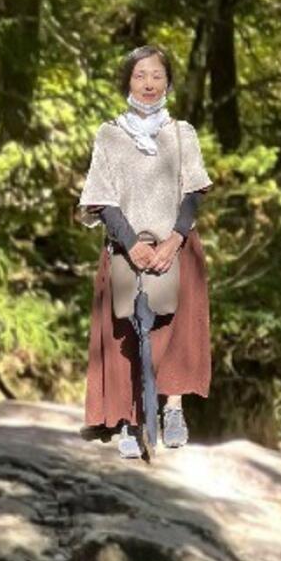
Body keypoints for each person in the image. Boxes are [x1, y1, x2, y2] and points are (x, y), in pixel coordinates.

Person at [79, 47, 212, 456]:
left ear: (168, 82)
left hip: (176, 245)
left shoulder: (181, 133)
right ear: (128, 82)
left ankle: (173, 409)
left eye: (157, 75)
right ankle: (128, 420)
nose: (149, 84)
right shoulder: (110, 134)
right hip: (126, 245)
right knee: (125, 334)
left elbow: (192, 192)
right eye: (140, 76)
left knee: (175, 330)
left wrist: (174, 239)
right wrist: (131, 242)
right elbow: (101, 196)